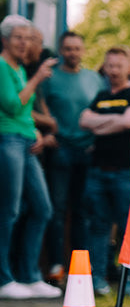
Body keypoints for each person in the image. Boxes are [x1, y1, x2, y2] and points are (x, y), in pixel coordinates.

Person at [0, 15, 60, 300]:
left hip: (25, 141)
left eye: (28, 38)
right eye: (18, 38)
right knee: (8, 211)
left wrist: (36, 131)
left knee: (42, 209)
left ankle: (29, 276)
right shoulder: (1, 67)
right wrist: (37, 78)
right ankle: (4, 279)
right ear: (5, 40)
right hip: (7, 141)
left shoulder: (19, 69)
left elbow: (23, 113)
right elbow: (13, 106)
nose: (24, 43)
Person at [38, 31, 104, 283]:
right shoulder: (50, 79)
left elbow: (101, 110)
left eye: (77, 48)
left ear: (83, 50)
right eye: (68, 48)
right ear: (61, 50)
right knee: (57, 209)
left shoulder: (94, 79)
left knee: (81, 212)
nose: (72, 53)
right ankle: (56, 266)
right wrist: (46, 133)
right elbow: (38, 107)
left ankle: (80, 269)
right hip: (61, 150)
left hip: (87, 151)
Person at [78, 45, 130, 297]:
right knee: (99, 227)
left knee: (129, 229)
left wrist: (99, 123)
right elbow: (83, 121)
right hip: (98, 172)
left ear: (129, 68)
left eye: (118, 66)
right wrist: (115, 122)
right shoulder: (101, 94)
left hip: (126, 173)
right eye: (110, 65)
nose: (113, 71)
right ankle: (97, 281)